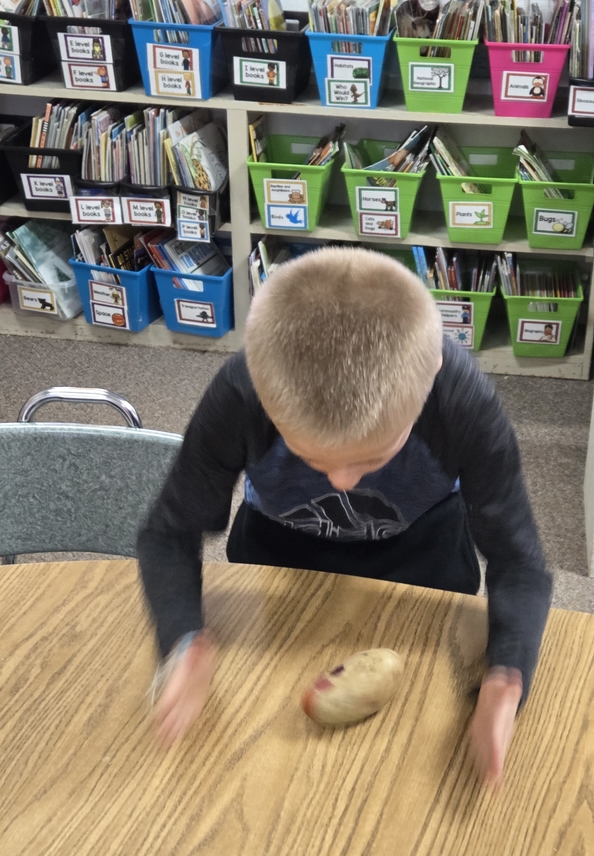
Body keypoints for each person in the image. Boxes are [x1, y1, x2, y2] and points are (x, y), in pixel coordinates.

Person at [137, 248, 552, 786]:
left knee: (398, 762)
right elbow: (168, 532)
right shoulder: (241, 389)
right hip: (278, 558)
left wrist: (507, 672)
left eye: (372, 459)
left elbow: (519, 559)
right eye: (312, 458)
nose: (342, 483)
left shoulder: (461, 399)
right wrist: (183, 637)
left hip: (422, 560)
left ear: (429, 380)